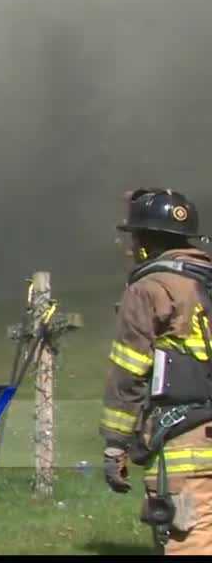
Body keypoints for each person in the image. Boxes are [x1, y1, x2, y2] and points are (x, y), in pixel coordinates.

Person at [100, 188, 212, 553]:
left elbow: (129, 372)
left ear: (146, 241)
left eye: (133, 238)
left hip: (186, 440)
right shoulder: (205, 281)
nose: (128, 247)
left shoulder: (149, 289)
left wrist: (116, 444)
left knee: (188, 539)